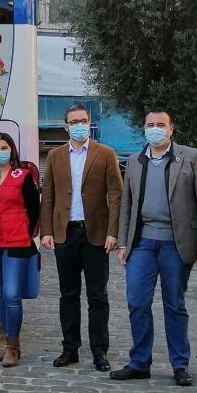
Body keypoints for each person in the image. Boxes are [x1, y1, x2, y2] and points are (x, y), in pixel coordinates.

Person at [114, 108, 197, 386]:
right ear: (143, 128)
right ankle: (139, 362)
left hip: (176, 243)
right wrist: (123, 241)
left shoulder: (192, 157)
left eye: (161, 125)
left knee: (175, 304)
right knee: (137, 302)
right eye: (150, 124)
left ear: (171, 129)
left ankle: (180, 364)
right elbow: (127, 204)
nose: (155, 129)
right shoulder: (134, 161)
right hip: (142, 243)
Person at [39, 104, 123, 371]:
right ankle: (70, 348)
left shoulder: (106, 154)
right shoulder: (54, 156)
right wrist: (47, 231)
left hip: (96, 233)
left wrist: (113, 231)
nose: (79, 124)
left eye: (84, 120)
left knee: (98, 295)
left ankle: (99, 351)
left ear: (90, 124)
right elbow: (48, 195)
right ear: (65, 126)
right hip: (65, 232)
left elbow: (116, 195)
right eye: (74, 121)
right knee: (68, 294)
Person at [0, 133, 40, 368]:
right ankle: (9, 342)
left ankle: (13, 346)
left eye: (4, 147)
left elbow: (34, 209)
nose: (0, 151)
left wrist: (23, 230)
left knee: (12, 294)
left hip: (16, 242)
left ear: (12, 150)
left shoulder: (22, 176)